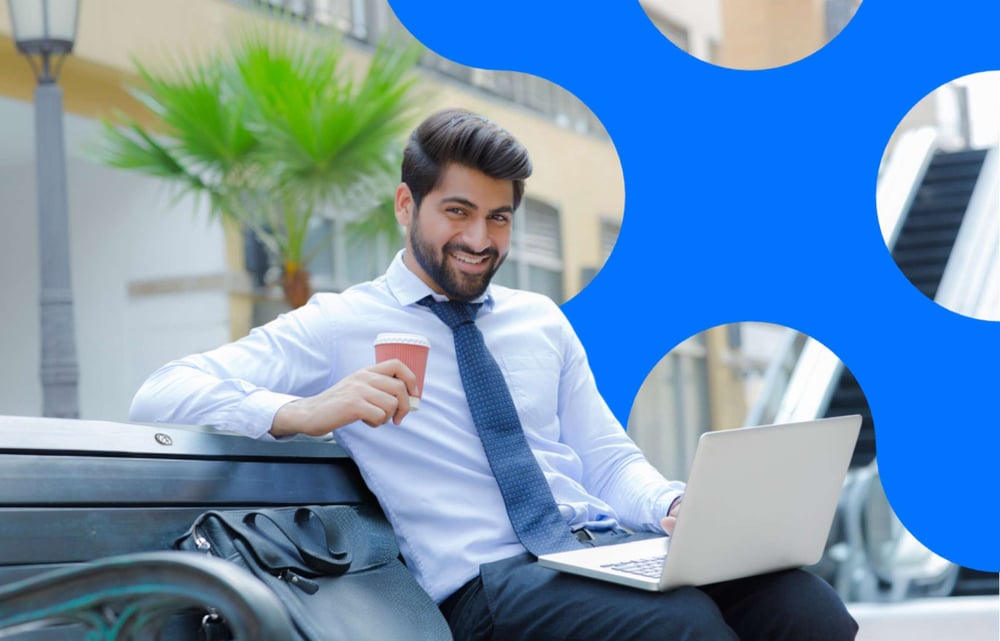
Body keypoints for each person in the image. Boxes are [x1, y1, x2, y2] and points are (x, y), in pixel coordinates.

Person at [130, 108, 858, 641]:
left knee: (801, 604)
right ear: (406, 204)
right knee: (684, 626)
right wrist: (307, 409)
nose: (480, 240)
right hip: (487, 586)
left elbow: (606, 458)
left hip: (602, 552)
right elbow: (159, 392)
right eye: (458, 211)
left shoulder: (540, 319)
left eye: (500, 218)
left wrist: (671, 506)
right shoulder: (339, 323)